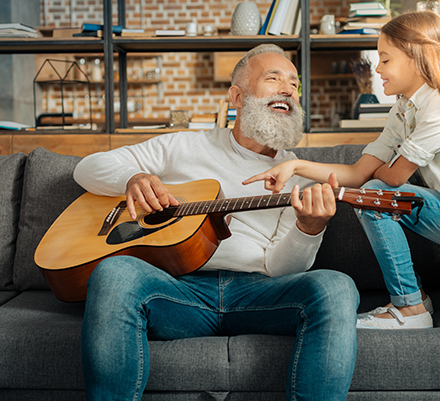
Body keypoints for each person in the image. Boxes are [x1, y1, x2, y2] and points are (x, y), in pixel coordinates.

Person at [73, 44, 359, 400]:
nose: (289, 89)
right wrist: (132, 178)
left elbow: (281, 269)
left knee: (337, 287)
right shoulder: (183, 145)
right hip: (178, 289)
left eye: (295, 84)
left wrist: (309, 229)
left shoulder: (299, 176)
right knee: (114, 274)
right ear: (237, 97)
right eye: (274, 78)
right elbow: (87, 167)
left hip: (259, 295)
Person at [244, 12, 440, 330]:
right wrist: (295, 164)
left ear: (416, 58)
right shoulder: (404, 108)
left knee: (373, 195)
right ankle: (416, 297)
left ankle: (410, 308)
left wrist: (370, 180)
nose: (377, 68)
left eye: (385, 59)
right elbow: (358, 173)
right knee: (370, 193)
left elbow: (392, 179)